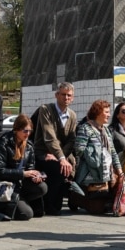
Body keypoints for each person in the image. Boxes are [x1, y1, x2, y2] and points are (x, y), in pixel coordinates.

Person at [0, 114, 47, 221]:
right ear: (16, 129)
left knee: (42, 187)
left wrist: (35, 175)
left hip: (20, 184)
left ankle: (19, 201)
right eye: (25, 131)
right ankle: (1, 207)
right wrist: (22, 174)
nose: (28, 134)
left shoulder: (29, 145)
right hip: (6, 185)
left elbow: (30, 166)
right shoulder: (4, 143)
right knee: (27, 214)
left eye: (30, 131)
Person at [69, 100, 123, 214]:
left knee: (107, 206)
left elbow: (112, 152)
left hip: (105, 174)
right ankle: (76, 197)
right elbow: (79, 150)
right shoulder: (86, 128)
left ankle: (101, 198)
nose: (109, 115)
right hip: (90, 174)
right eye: (106, 112)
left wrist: (120, 172)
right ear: (98, 112)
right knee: (97, 210)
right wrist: (97, 155)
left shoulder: (106, 130)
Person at [32, 82, 78, 216]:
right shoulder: (45, 109)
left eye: (69, 95)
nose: (66, 98)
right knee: (58, 167)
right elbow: (49, 136)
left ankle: (58, 203)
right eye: (63, 94)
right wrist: (61, 158)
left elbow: (71, 139)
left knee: (66, 167)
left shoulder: (73, 115)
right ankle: (49, 205)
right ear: (56, 95)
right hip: (42, 152)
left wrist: (62, 157)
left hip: (60, 155)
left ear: (73, 98)